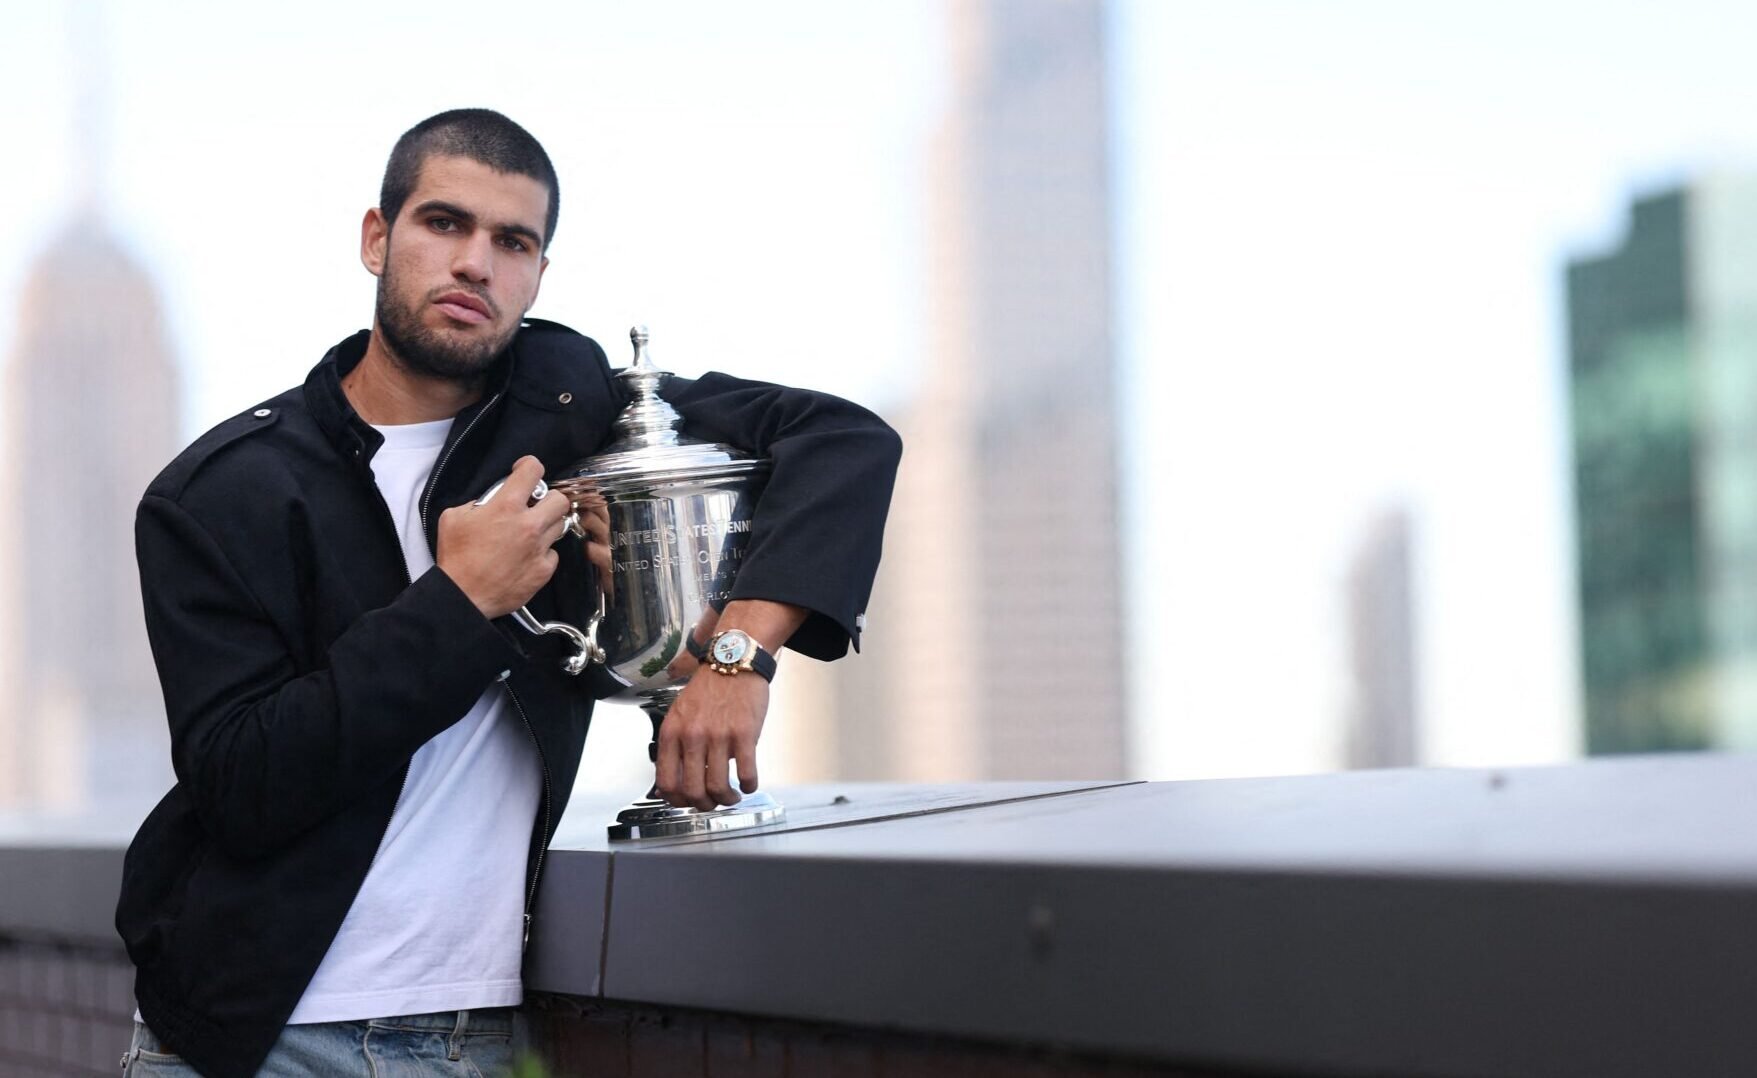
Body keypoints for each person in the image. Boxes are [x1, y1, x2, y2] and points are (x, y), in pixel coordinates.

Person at [114, 108, 900, 1078]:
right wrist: (456, 600)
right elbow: (241, 782)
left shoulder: (574, 415)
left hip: (459, 1040)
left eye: (512, 241)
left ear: (536, 275)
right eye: (444, 224)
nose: (475, 262)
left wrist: (736, 654)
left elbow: (842, 443)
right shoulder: (221, 492)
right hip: (233, 1036)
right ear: (376, 238)